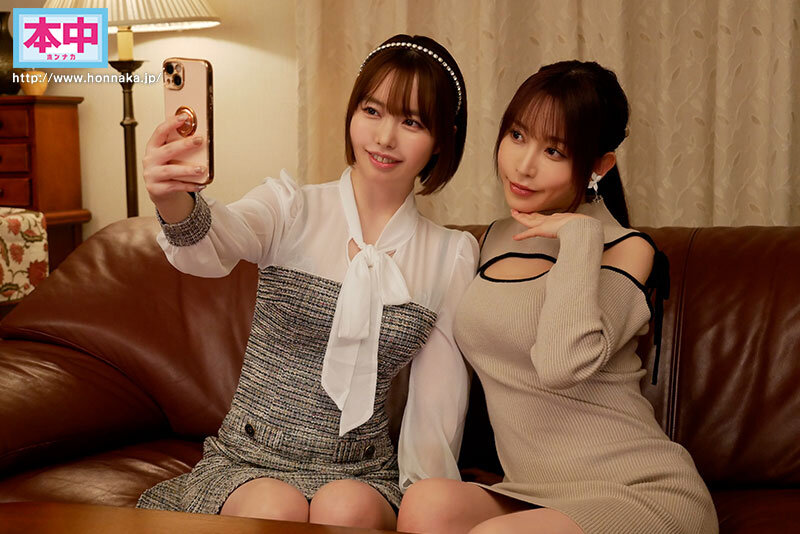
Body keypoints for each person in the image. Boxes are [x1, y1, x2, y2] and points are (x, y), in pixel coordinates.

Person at [136, 34, 478, 532]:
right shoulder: (290, 207)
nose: (385, 138)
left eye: (412, 122)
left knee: (346, 509)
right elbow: (215, 244)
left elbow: (437, 406)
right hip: (248, 462)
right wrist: (172, 198)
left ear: (443, 138)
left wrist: (426, 505)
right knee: (275, 509)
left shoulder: (451, 255)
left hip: (362, 472)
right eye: (372, 110)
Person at [397, 61, 718, 534]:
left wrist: (582, 238)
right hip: (532, 493)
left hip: (638, 492)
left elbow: (560, 365)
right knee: (425, 504)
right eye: (517, 136)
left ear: (599, 167)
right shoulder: (489, 240)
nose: (523, 165)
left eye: (554, 151)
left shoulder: (628, 249)